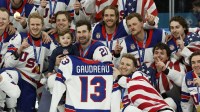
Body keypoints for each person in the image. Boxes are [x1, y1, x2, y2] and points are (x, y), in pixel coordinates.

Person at [4, 12, 56, 112]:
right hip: (17, 77)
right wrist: (20, 49)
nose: (35, 27)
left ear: (42, 25)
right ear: (28, 25)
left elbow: (57, 57)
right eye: (32, 24)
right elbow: (8, 64)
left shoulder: (47, 42)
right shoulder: (19, 37)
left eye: (38, 25)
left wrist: (56, 61)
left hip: (31, 83)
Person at [49, 55, 121, 112]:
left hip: (75, 109)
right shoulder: (110, 71)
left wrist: (52, 109)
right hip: (99, 109)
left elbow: (58, 87)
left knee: (51, 81)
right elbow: (116, 96)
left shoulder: (69, 63)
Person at [139, 43, 187, 111]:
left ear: (167, 57)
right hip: (153, 101)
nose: (158, 55)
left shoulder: (174, 64)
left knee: (168, 102)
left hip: (174, 101)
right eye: (156, 53)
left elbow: (182, 80)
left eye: (162, 53)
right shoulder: (147, 67)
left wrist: (165, 70)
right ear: (153, 55)